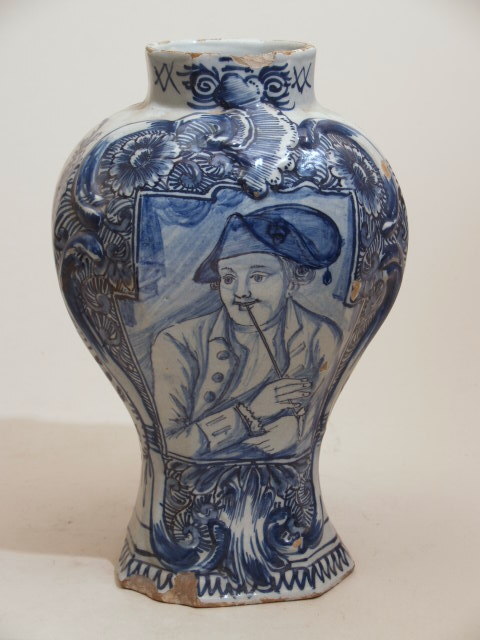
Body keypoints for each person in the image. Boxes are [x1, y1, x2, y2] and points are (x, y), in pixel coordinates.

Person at [151, 204, 342, 460]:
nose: (241, 292)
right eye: (229, 279)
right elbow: (170, 443)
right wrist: (250, 413)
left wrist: (297, 430)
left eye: (258, 277)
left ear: (292, 282)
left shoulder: (320, 336)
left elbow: (314, 415)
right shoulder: (178, 342)